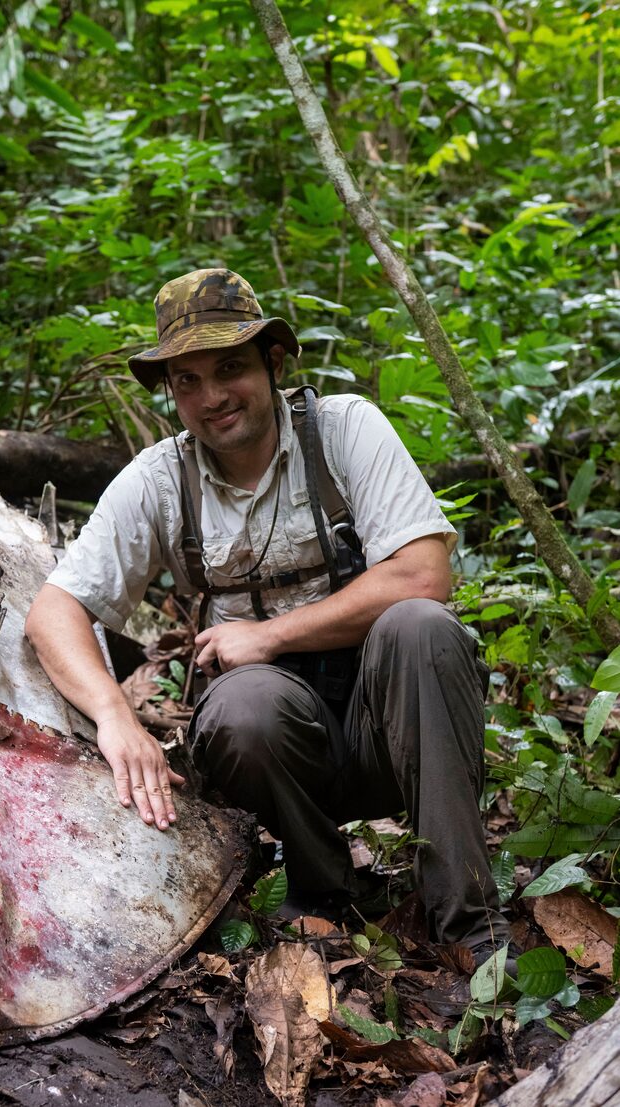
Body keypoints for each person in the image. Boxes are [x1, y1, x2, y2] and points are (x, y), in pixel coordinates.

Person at [25, 268, 510, 959]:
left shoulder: (344, 430)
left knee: (421, 626)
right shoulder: (162, 479)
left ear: (274, 362)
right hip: (271, 749)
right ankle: (321, 893)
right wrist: (114, 717)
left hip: (392, 729)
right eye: (186, 381)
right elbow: (53, 610)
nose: (211, 396)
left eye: (229, 369)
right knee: (245, 704)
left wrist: (270, 634)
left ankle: (471, 927)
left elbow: (423, 573)